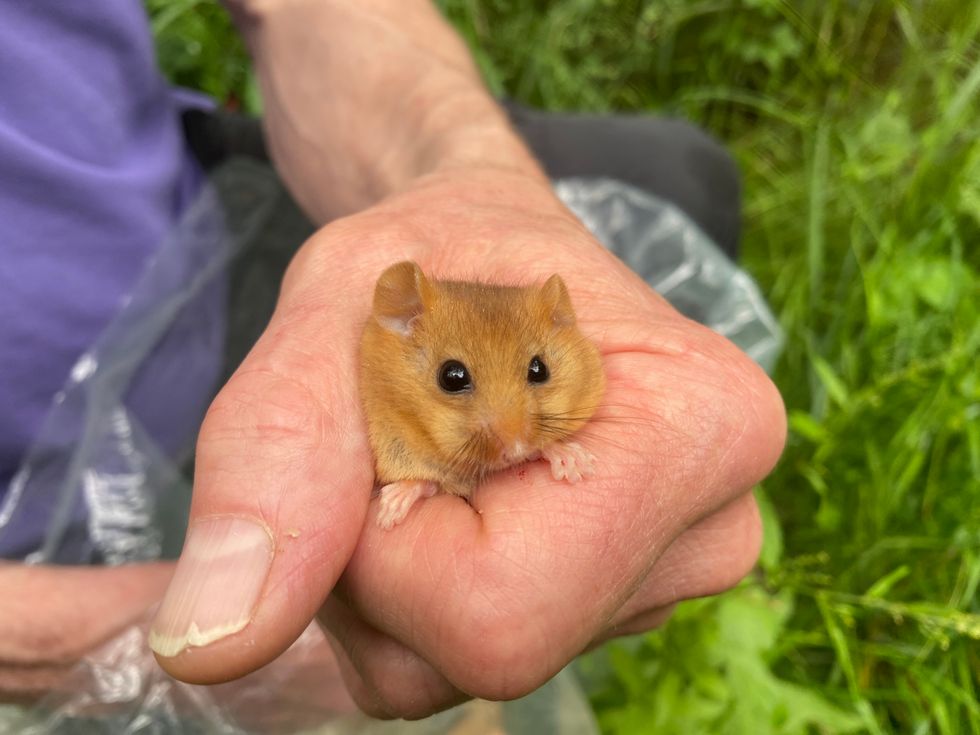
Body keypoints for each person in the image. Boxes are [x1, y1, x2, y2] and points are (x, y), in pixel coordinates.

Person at [0, 0, 785, 720]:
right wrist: (102, 636)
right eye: (457, 380)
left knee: (692, 182)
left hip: (186, 207)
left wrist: (474, 167)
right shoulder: (391, 366)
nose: (510, 426)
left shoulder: (525, 356)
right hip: (38, 523)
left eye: (537, 375)